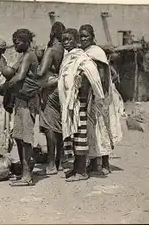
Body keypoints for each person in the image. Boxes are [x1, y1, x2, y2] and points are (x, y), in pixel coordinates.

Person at [58, 28, 109, 182]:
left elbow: (94, 77)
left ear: (76, 41)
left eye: (69, 39)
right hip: (68, 104)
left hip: (79, 102)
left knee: (80, 135)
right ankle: (76, 168)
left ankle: (81, 171)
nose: (66, 42)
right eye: (63, 40)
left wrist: (83, 85)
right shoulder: (68, 57)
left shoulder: (82, 57)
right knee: (72, 136)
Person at [79, 24, 123, 177]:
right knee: (91, 130)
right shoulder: (83, 53)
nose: (83, 39)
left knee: (102, 127)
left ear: (92, 37)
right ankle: (92, 162)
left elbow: (103, 76)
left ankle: (105, 162)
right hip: (89, 95)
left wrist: (102, 98)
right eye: (81, 36)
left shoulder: (97, 52)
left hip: (99, 95)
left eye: (86, 36)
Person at [0, 28, 39, 187]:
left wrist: (5, 88)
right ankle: (25, 170)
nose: (15, 46)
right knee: (18, 137)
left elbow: (20, 76)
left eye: (17, 43)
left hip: (28, 101)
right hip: (20, 100)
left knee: (26, 139)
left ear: (25, 42)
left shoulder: (29, 55)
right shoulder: (22, 56)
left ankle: (27, 175)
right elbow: (10, 72)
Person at [33, 22, 66, 175]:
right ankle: (59, 160)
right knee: (58, 125)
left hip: (49, 89)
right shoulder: (64, 50)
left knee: (49, 127)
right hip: (60, 88)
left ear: (52, 33)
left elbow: (41, 72)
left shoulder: (51, 50)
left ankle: (51, 164)